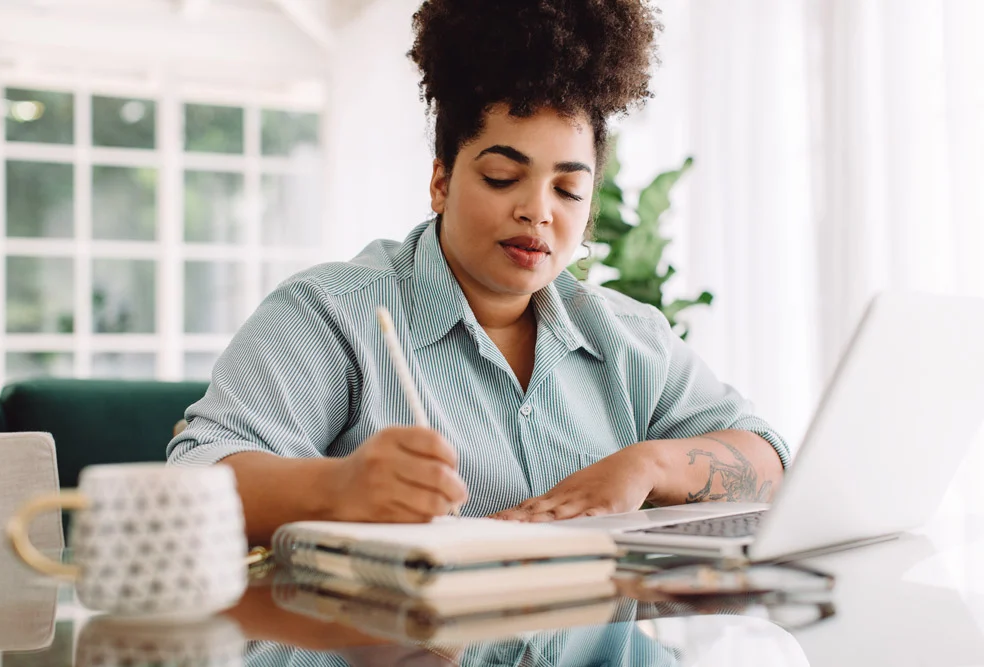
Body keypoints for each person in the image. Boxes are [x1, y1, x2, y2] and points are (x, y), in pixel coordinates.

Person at [167, 0, 789, 545]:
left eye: (569, 190)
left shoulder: (630, 340)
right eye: (502, 176)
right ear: (441, 181)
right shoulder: (332, 314)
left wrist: (647, 466)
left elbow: (770, 462)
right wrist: (338, 487)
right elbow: (189, 487)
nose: (536, 211)